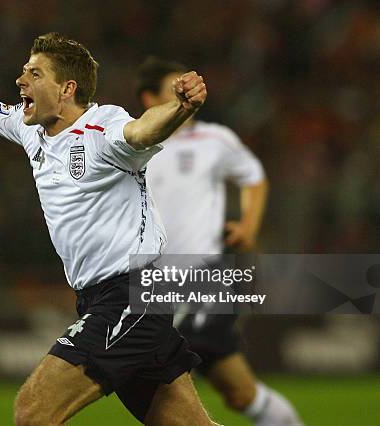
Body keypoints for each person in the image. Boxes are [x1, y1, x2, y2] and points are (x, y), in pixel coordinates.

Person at [0, 29, 216, 425]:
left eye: (35, 74)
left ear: (66, 89)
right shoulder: (30, 129)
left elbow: (143, 130)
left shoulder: (102, 128)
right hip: (100, 298)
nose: (21, 80)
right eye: (24, 71)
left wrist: (179, 107)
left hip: (131, 294)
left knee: (33, 412)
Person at [139, 57, 303, 426]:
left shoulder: (215, 139)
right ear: (150, 99)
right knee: (241, 393)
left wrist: (248, 226)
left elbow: (254, 177)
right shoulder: (135, 144)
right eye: (173, 89)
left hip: (203, 278)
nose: (185, 94)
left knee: (155, 387)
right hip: (153, 284)